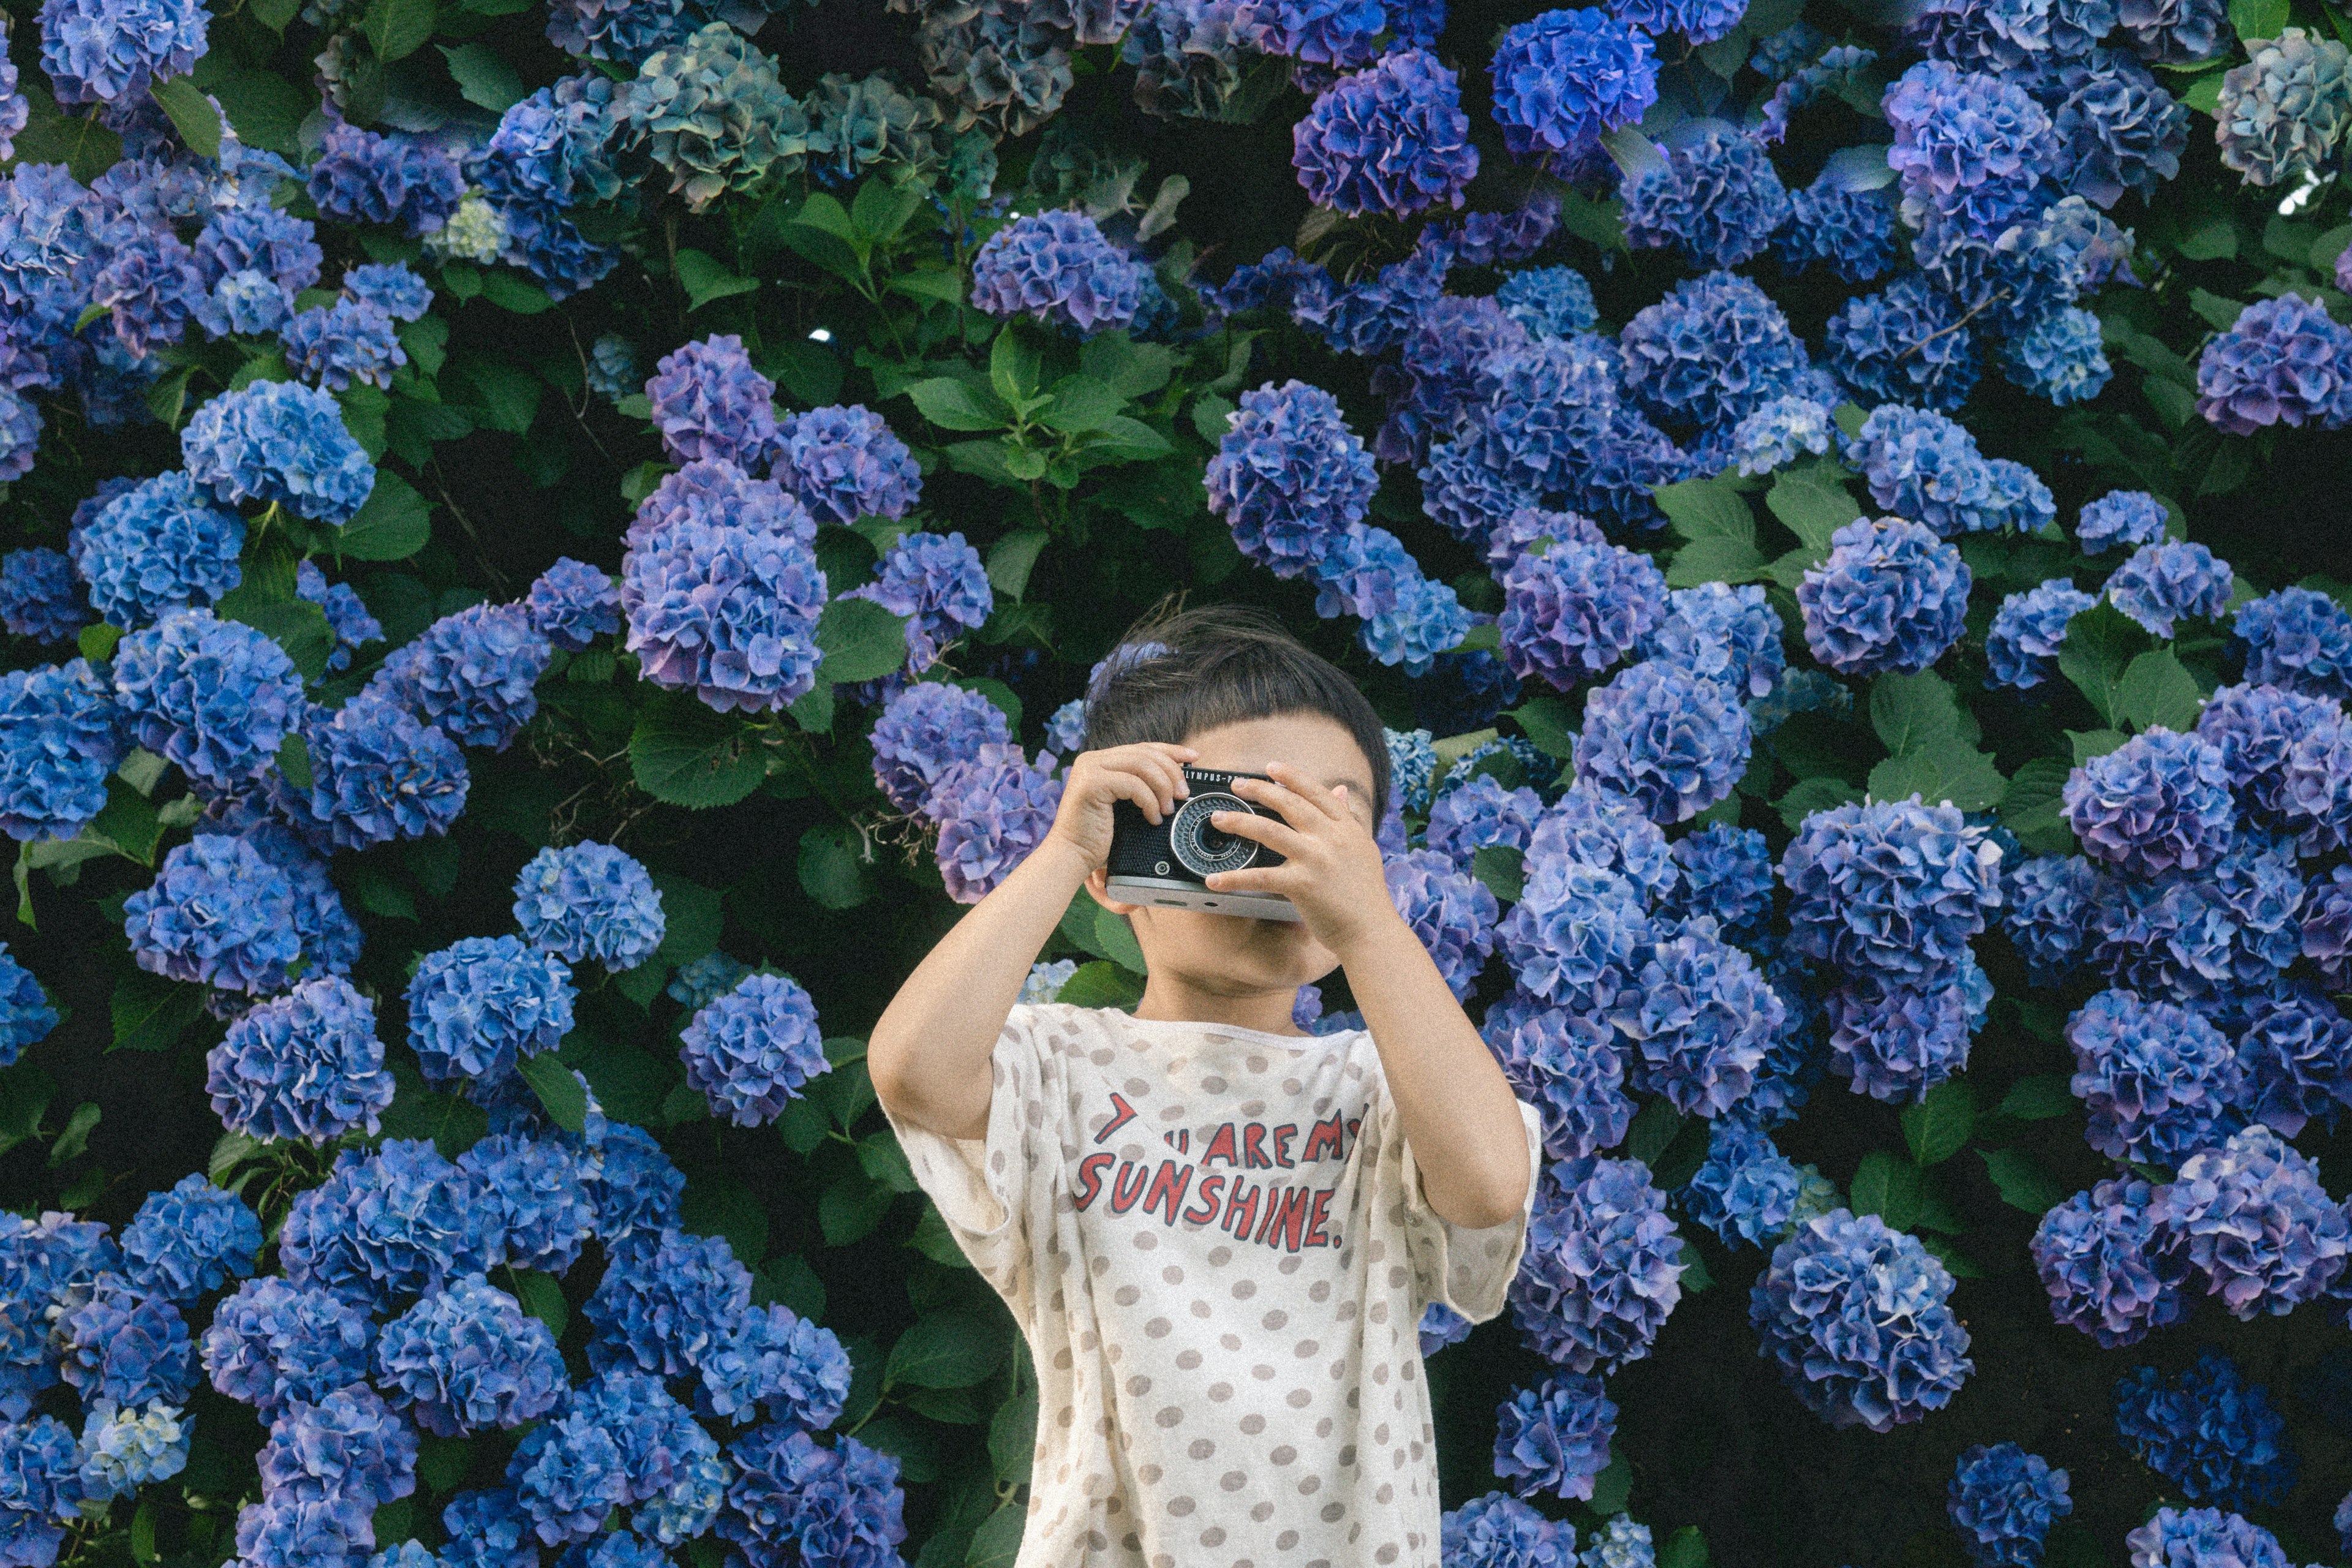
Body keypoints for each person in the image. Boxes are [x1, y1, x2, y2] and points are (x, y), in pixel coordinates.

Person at [870, 603, 1540, 1568]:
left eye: (1328, 818)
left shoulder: (1381, 1088)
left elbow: (1487, 1183)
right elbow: (912, 1072)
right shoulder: (1060, 1072)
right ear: (1123, 857)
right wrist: (1064, 851)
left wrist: (1370, 930)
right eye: (1233, 811)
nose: (1280, 855)